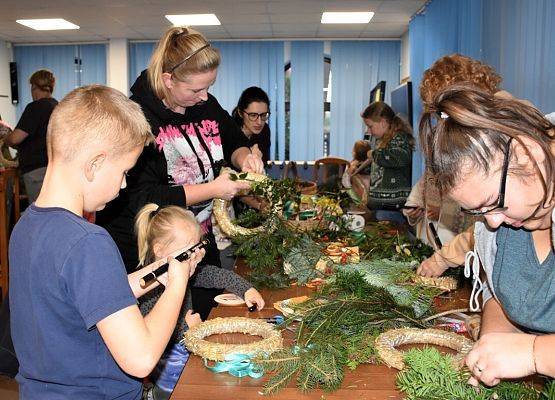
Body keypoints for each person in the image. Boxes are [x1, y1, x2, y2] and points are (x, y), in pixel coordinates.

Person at [9, 85, 206, 398]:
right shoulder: (88, 241)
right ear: (95, 164)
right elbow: (141, 359)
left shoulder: (27, 226)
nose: (125, 184)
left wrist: (160, 274)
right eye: (125, 171)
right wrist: (179, 283)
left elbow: (86, 299)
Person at [96, 27, 264, 320]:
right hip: (150, 252)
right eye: (195, 89)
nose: (204, 97)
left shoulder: (205, 104)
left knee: (204, 319)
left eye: (209, 87)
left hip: (195, 241)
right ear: (168, 80)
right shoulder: (138, 118)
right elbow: (142, 196)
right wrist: (212, 190)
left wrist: (245, 157)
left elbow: (232, 139)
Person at [420, 83, 555, 386]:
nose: (492, 222)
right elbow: (502, 296)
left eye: (494, 202)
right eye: (479, 212)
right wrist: (492, 345)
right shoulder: (506, 223)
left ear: (528, 155)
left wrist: (534, 354)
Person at [135, 203, 264, 399]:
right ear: (160, 250)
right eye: (188, 252)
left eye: (197, 248)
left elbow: (213, 274)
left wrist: (247, 289)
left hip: (188, 358)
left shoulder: (185, 269)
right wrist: (186, 329)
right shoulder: (150, 290)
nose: (195, 257)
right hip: (169, 378)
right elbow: (146, 336)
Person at [0, 69, 57, 203]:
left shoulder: (35, 107)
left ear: (34, 87)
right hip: (54, 168)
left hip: (36, 171)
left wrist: (6, 137)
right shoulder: (57, 106)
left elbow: (15, 138)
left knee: (40, 215)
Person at [361, 102, 414, 223]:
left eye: (370, 126)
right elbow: (380, 169)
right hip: (382, 209)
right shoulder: (382, 140)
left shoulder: (399, 138)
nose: (368, 131)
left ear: (383, 123)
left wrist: (373, 154)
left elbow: (400, 158)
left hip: (391, 210)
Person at [232, 86, 272, 163]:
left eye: (263, 115)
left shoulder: (265, 130)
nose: (259, 122)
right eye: (253, 115)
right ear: (240, 113)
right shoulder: (229, 130)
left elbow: (264, 164)